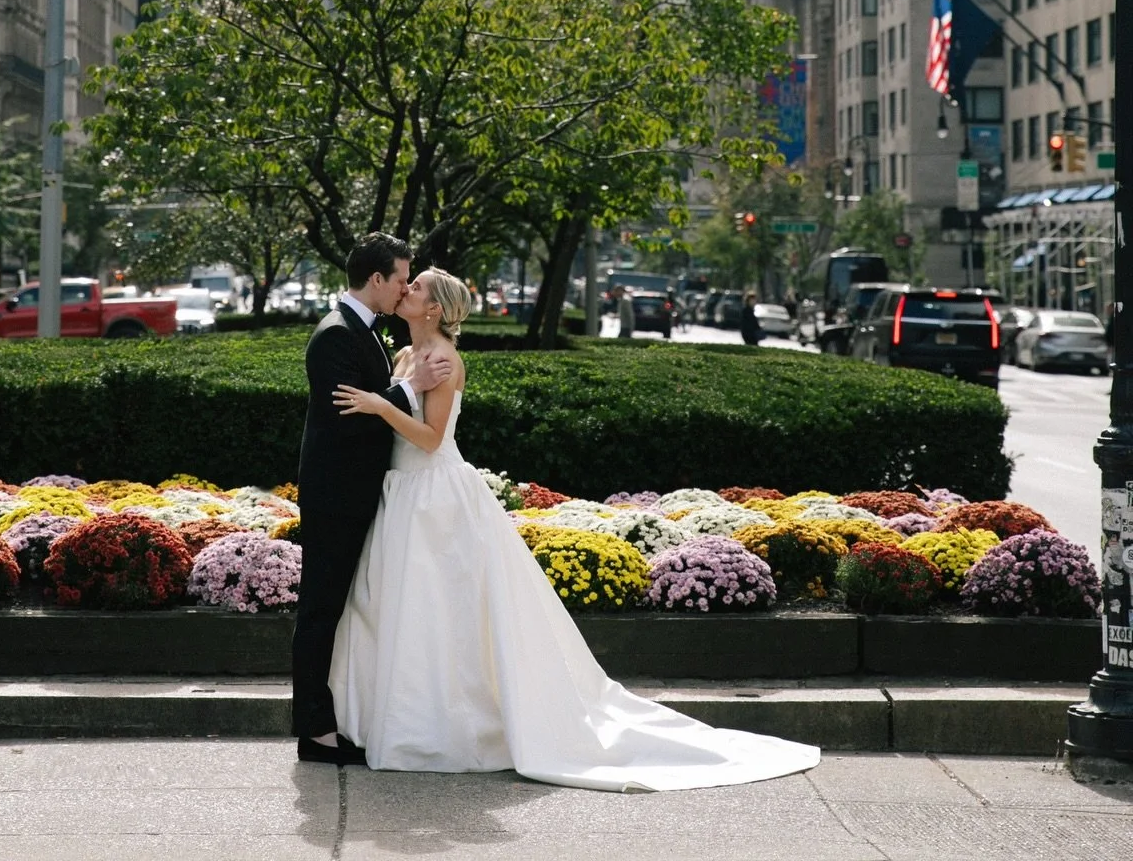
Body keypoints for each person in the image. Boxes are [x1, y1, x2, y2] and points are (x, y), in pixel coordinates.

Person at [329, 267, 819, 790]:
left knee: (440, 610)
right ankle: (405, 719)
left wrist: (381, 404)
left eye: (418, 286)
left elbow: (429, 439)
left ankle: (447, 728)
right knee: (405, 611)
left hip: (435, 497)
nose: (407, 289)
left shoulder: (444, 361)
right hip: (403, 494)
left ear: (434, 309)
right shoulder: (406, 356)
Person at [291, 233, 452, 766]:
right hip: (335, 495)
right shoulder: (334, 335)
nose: (405, 286)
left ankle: (346, 718)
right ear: (377, 279)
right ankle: (314, 732)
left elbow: (374, 407)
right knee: (321, 609)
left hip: (362, 492)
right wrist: (410, 387)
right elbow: (346, 415)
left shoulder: (369, 333)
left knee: (347, 609)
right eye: (401, 277)